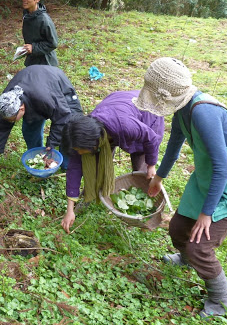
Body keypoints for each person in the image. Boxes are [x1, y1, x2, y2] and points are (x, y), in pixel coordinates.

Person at [134, 57, 227, 317]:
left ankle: (221, 299)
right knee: (178, 227)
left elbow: (224, 167)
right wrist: (159, 176)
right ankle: (185, 259)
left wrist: (207, 214)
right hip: (210, 176)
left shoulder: (203, 112)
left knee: (199, 244)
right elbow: (174, 144)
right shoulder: (183, 109)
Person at [60, 91, 165, 234]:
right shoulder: (85, 133)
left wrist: (151, 165)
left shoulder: (125, 126)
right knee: (93, 161)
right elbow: (74, 169)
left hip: (148, 114)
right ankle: (90, 195)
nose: (79, 153)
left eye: (80, 150)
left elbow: (151, 138)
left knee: (141, 168)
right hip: (117, 107)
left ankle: (141, 215)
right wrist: (69, 210)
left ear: (94, 143)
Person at [0, 65, 82, 174]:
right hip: (33, 84)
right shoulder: (7, 103)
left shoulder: (44, 99)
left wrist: (51, 143)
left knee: (69, 128)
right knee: (30, 130)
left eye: (13, 120)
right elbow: (1, 128)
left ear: (21, 109)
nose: (10, 122)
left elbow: (62, 117)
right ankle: (39, 157)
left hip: (56, 82)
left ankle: (67, 165)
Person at [20, 0, 59, 67]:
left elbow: (53, 43)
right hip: (32, 61)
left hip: (46, 64)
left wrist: (33, 48)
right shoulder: (27, 15)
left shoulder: (44, 20)